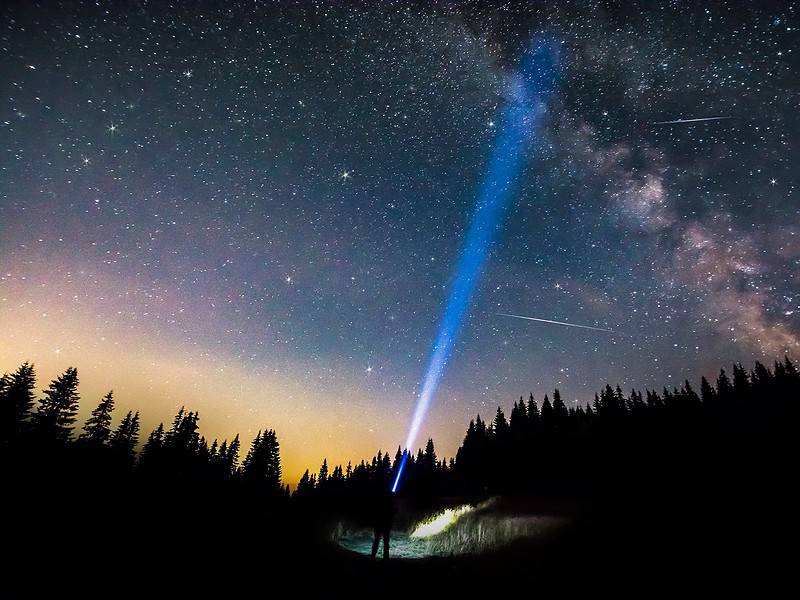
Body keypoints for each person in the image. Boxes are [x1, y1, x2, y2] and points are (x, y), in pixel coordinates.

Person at [371, 488, 396, 560]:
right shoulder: (390, 501)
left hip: (379, 522)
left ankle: (373, 557)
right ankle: (385, 558)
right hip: (386, 523)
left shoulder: (380, 499)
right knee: (385, 542)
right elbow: (393, 511)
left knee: (377, 540)